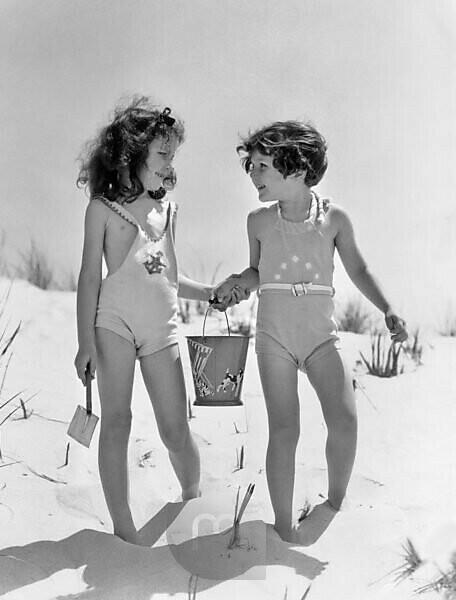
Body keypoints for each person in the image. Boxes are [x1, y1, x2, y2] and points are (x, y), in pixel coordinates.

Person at [213, 120, 408, 543]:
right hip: (274, 339)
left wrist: (387, 308)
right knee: (285, 429)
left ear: (297, 169)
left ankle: (335, 503)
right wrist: (237, 284)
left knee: (345, 419)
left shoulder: (334, 218)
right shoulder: (258, 222)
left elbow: (358, 268)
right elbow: (256, 272)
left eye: (263, 165)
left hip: (321, 338)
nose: (253, 175)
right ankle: (283, 527)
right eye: (251, 165)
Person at [74, 95, 243, 545]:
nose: (170, 164)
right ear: (132, 157)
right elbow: (90, 277)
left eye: (173, 155)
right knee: (117, 421)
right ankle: (124, 529)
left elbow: (169, 275)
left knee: (174, 427)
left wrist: (207, 293)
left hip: (162, 328)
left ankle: (191, 495)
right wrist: (84, 343)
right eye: (163, 154)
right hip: (112, 324)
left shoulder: (168, 212)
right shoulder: (102, 210)